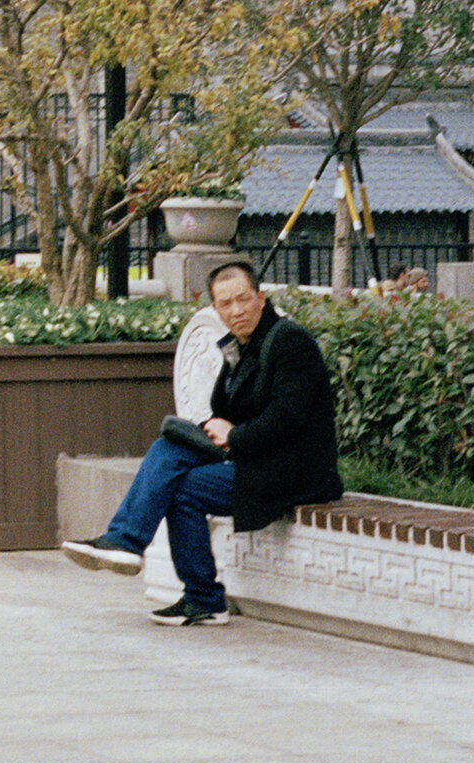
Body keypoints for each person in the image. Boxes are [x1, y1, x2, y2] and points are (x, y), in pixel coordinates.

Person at [62, 258, 340, 623]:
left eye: (243, 299)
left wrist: (235, 434)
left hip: (295, 472)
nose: (236, 310)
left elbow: (288, 417)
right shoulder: (243, 344)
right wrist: (220, 421)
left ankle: (194, 590)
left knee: (185, 488)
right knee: (171, 446)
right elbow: (223, 405)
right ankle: (131, 545)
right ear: (214, 308)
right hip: (257, 457)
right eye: (225, 304)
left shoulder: (289, 341)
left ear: (260, 297)